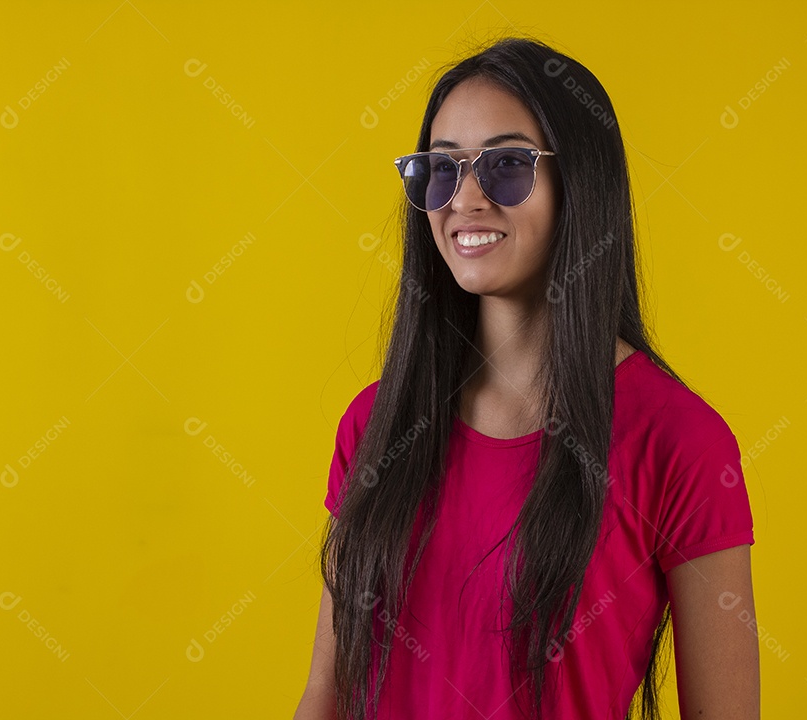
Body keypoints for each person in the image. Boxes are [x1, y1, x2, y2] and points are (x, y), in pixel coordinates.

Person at [295, 35, 759, 720]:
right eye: (442, 171)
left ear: (580, 184)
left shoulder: (680, 442)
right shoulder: (376, 424)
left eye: (507, 165)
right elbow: (326, 696)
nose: (466, 199)